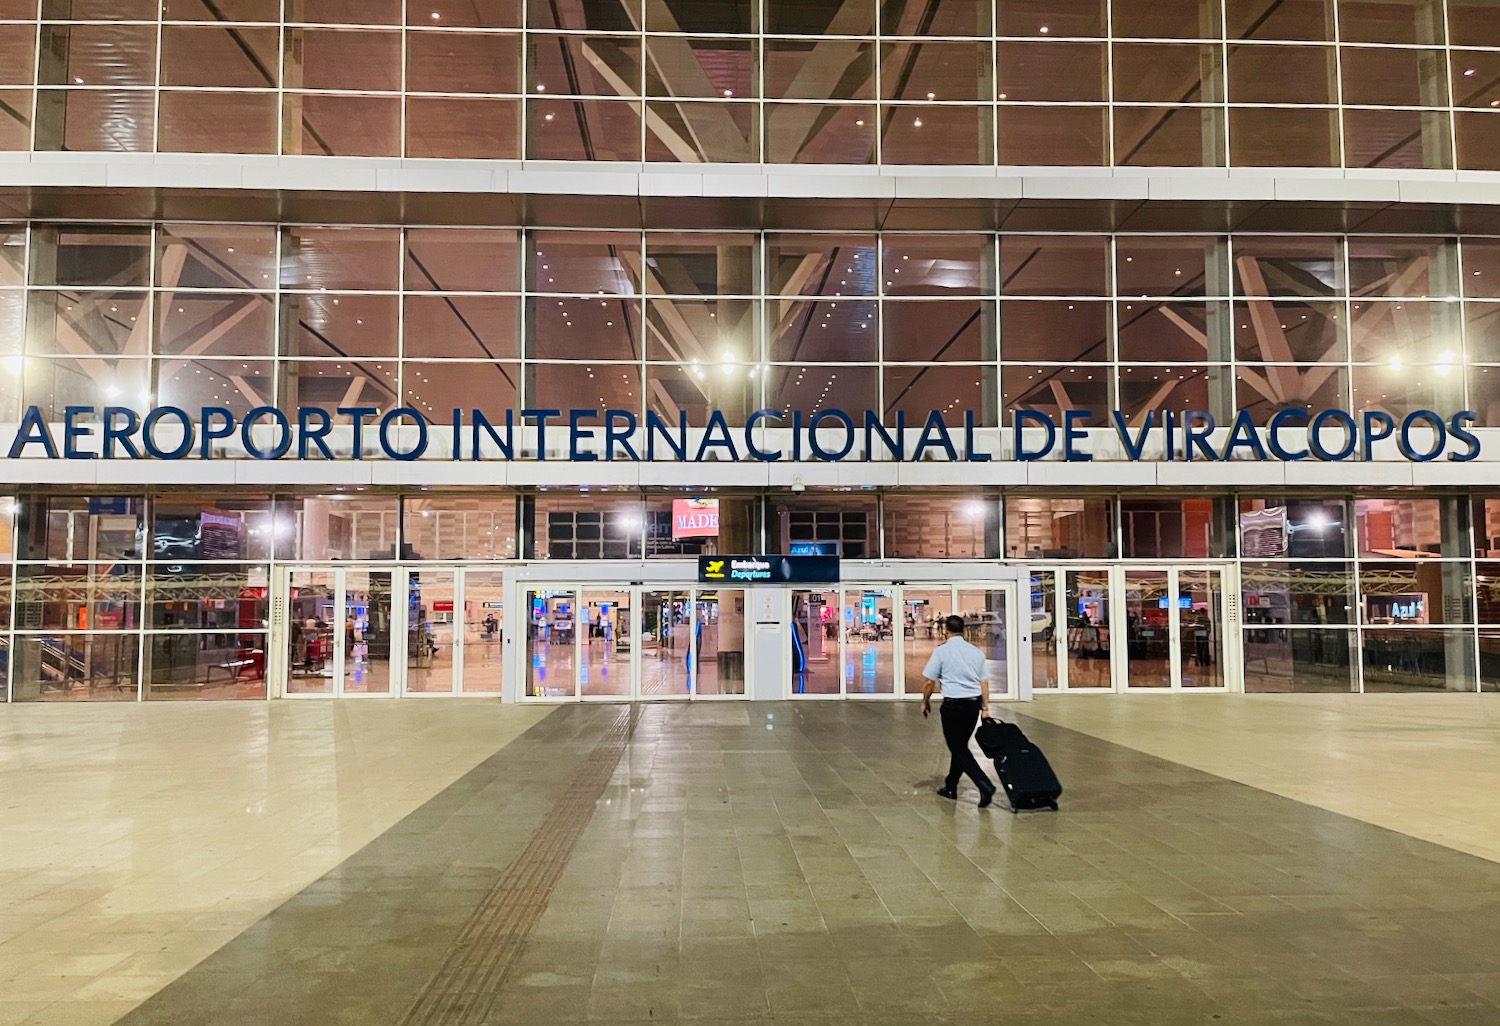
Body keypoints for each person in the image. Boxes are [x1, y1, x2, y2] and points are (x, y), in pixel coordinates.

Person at [920, 614, 996, 808]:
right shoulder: (976, 652)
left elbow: (929, 681)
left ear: (945, 631)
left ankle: (984, 784)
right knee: (960, 746)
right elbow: (984, 682)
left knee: (958, 748)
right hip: (972, 706)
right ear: (963, 630)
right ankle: (951, 786)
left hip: (953, 706)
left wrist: (925, 701)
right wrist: (985, 708)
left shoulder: (942, 652)